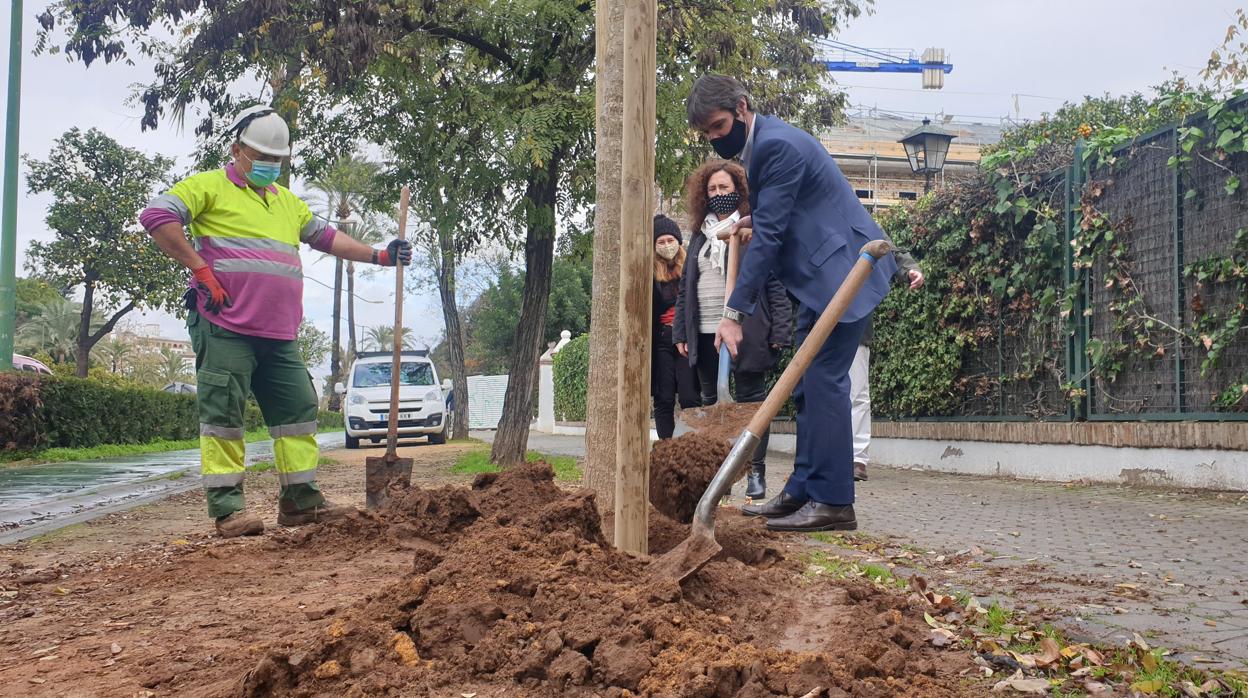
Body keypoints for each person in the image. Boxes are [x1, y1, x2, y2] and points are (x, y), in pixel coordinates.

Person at [139, 105, 414, 538]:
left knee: (298, 412)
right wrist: (200, 268)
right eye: (260, 157)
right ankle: (229, 511)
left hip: (279, 333)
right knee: (224, 415)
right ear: (237, 150)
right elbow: (157, 217)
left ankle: (301, 503)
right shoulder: (208, 187)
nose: (268, 165)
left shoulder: (287, 203)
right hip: (225, 324)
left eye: (276, 160)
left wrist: (380, 255)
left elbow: (328, 238)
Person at [686, 74, 899, 532]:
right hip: (821, 280)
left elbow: (772, 236)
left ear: (742, 108)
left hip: (846, 272)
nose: (716, 139)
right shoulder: (767, 144)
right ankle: (803, 489)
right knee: (804, 383)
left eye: (719, 127)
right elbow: (778, 212)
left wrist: (733, 314)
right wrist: (748, 216)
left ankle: (834, 502)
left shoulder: (776, 146)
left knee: (823, 379)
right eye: (707, 135)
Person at [673, 161, 792, 500]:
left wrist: (779, 331)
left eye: (724, 188)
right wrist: (681, 331)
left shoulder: (753, 232)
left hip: (746, 330)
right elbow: (686, 287)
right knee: (712, 404)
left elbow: (774, 284)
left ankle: (756, 472)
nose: (718, 194)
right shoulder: (698, 237)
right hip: (706, 328)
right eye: (712, 189)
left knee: (753, 404)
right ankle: (719, 476)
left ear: (738, 190)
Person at [851, 247, 924, 482]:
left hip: (857, 322)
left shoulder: (858, 218)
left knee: (858, 393)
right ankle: (825, 457)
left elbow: (890, 250)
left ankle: (857, 459)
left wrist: (910, 270)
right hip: (818, 319)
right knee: (821, 395)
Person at [651, 214, 700, 440]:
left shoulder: (691, 268)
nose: (666, 246)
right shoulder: (650, 274)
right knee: (664, 398)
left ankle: (690, 446)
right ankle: (666, 447)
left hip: (686, 337)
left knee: (690, 396)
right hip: (662, 340)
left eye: (670, 241)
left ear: (678, 242)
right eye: (660, 242)